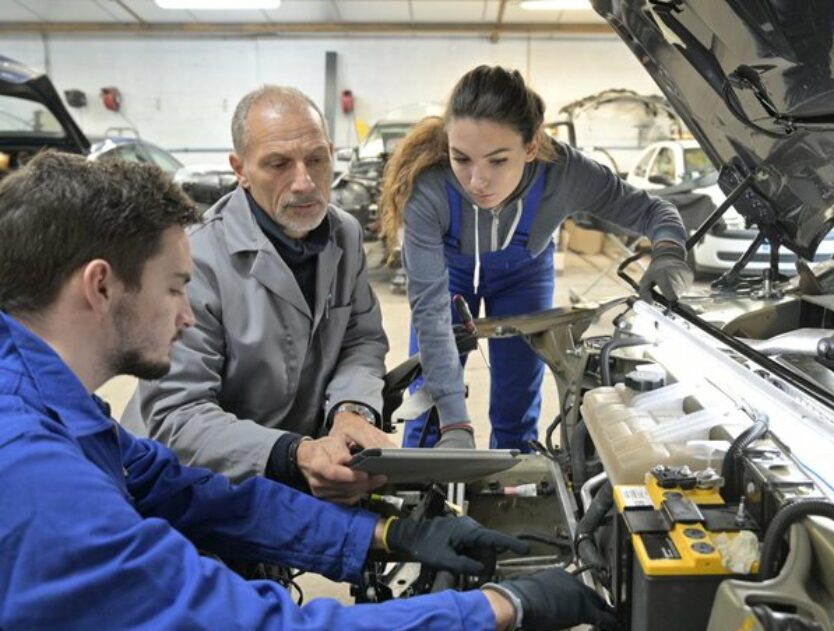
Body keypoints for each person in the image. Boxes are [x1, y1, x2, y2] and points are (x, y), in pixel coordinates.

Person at [0, 151, 618, 630]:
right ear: (100, 287)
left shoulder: (54, 406)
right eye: (174, 287)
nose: (188, 314)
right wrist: (498, 607)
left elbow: (193, 495)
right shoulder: (34, 474)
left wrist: (386, 536)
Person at [380, 65, 692, 451]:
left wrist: (668, 252)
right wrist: (455, 422)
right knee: (431, 400)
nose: (478, 180)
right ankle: (425, 484)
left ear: (530, 146)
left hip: (523, 276)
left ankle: (514, 485)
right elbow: (430, 312)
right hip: (449, 273)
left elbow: (655, 212)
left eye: (497, 161)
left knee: (518, 400)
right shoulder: (428, 188)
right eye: (461, 159)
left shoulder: (566, 174)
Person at [122, 86, 393, 504]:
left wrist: (351, 411)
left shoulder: (346, 235)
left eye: (317, 159)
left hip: (291, 460)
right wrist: (293, 453)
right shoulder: (195, 261)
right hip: (184, 483)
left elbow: (362, 339)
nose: (304, 182)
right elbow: (177, 414)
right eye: (278, 164)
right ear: (240, 169)